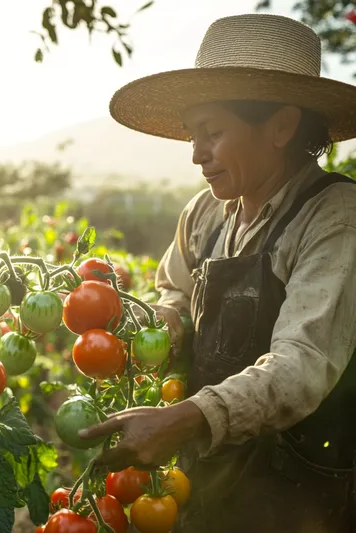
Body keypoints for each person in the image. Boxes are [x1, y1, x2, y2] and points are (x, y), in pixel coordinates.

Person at [78, 13, 356, 532]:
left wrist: (184, 419)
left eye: (213, 133)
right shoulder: (205, 213)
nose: (196, 155)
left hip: (299, 495)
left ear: (281, 126)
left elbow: (302, 366)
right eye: (193, 134)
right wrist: (164, 325)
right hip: (209, 474)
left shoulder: (335, 217)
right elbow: (174, 292)